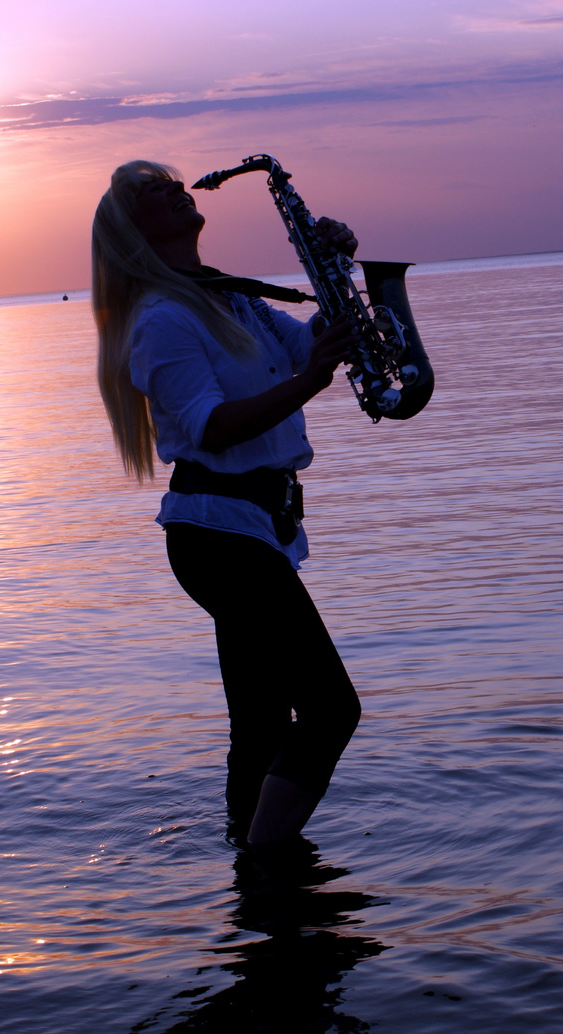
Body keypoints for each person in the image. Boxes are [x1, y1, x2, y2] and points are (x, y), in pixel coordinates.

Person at [91, 160, 363, 848]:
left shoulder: (232, 298)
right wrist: (310, 378)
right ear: (131, 231)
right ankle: (270, 870)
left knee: (264, 726)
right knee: (331, 710)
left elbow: (315, 345)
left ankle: (253, 888)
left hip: (253, 530)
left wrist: (339, 274)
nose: (171, 187)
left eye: (168, 179)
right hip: (216, 538)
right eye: (148, 191)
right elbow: (212, 425)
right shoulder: (160, 319)